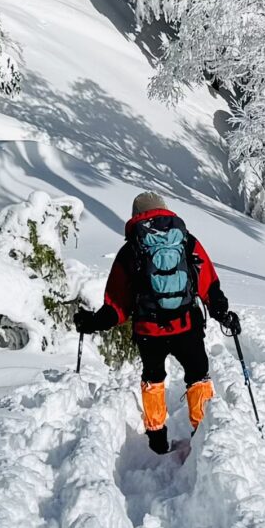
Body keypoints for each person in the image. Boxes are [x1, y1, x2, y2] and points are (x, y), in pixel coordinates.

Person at [74, 191, 241, 454]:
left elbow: (117, 305)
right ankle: (201, 433)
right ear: (164, 210)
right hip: (186, 324)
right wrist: (223, 314)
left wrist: (91, 322)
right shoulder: (186, 241)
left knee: (153, 379)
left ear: (135, 216)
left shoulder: (131, 250)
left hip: (148, 330)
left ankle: (157, 438)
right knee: (198, 376)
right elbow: (208, 283)